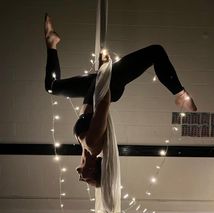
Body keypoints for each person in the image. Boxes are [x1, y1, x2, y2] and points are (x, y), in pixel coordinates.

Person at [44, 14, 197, 188]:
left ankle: (52, 41)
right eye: (87, 180)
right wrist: (104, 73)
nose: (82, 180)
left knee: (52, 87)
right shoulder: (93, 144)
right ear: (94, 168)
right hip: (105, 87)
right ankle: (181, 94)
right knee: (156, 52)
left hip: (91, 89)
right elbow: (103, 105)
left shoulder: (88, 152)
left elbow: (90, 166)